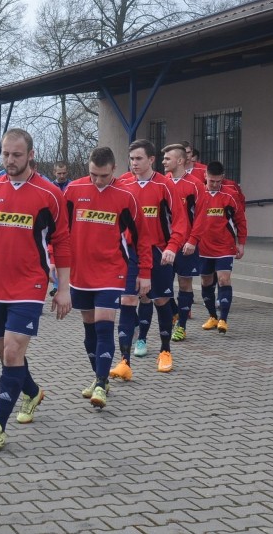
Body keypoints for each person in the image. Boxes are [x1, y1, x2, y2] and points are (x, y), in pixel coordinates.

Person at [0, 128, 71, 452]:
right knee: (5, 355)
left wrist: (64, 288)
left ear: (30, 155)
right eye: (6, 154)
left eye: (16, 155)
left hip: (30, 283)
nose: (10, 160)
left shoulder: (49, 194)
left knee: (11, 352)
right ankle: (32, 392)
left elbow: (62, 242)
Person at [65, 147, 149, 408]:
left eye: (102, 176)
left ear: (114, 169)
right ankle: (99, 377)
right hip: (80, 273)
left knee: (103, 326)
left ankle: (101, 384)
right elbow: (59, 232)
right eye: (92, 175)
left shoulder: (126, 197)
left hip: (112, 271)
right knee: (89, 327)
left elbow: (142, 238)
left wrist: (144, 273)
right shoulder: (73, 191)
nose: (97, 181)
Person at [112, 139, 187, 375]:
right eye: (131, 159)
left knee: (160, 301)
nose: (134, 163)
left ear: (152, 160)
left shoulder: (165, 186)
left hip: (158, 253)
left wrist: (173, 247)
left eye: (139, 159)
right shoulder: (122, 184)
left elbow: (181, 221)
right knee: (128, 300)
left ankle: (165, 351)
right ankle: (125, 359)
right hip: (130, 254)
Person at [184, 161, 247, 333]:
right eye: (212, 181)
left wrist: (241, 243)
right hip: (203, 247)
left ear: (223, 178)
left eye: (218, 181)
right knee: (206, 281)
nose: (215, 184)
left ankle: (223, 319)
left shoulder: (231, 195)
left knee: (223, 280)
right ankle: (212, 316)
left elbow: (240, 220)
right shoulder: (197, 194)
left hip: (224, 247)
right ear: (205, 176)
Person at [162, 143, 205, 342]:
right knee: (162, 285)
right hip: (166, 245)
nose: (163, 161)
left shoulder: (195, 184)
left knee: (184, 283)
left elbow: (201, 216)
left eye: (167, 158)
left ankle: (181, 326)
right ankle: (174, 312)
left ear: (179, 161)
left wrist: (193, 240)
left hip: (187, 245)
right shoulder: (162, 183)